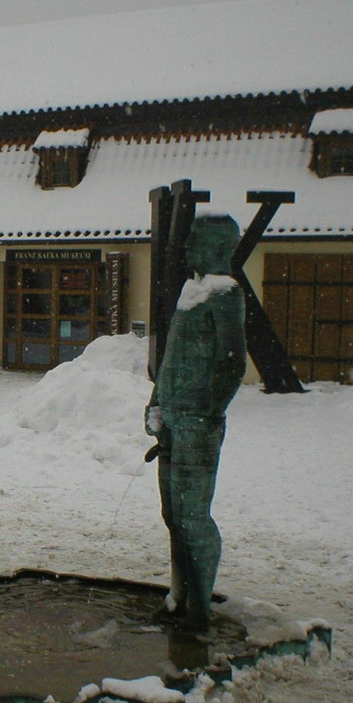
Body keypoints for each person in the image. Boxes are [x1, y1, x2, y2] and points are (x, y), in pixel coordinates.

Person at [145, 214, 246, 632]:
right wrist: (156, 405)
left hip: (197, 424)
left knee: (193, 516)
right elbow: (170, 362)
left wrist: (207, 411)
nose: (186, 250)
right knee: (173, 514)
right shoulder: (192, 292)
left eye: (194, 243)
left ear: (220, 248)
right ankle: (179, 597)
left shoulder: (224, 295)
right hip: (173, 419)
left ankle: (200, 609)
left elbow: (232, 364)